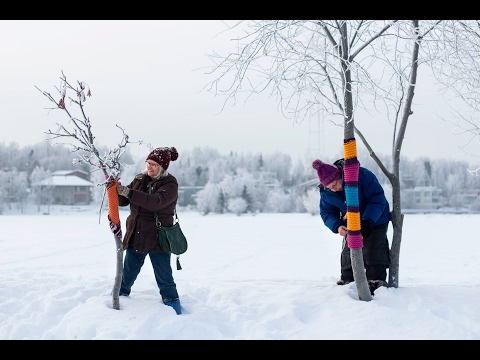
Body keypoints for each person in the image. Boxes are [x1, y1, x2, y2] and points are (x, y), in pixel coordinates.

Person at [116, 147, 182, 315]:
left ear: (163, 166)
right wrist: (115, 190)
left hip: (158, 238)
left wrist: (129, 192)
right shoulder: (140, 178)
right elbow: (124, 200)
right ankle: (118, 304)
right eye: (148, 163)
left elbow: (155, 202)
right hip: (137, 236)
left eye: (154, 164)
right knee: (126, 276)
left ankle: (174, 310)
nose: (150, 167)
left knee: (165, 279)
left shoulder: (170, 183)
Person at [312, 158, 391, 295]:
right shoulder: (327, 192)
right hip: (351, 224)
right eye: (330, 188)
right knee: (349, 253)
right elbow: (327, 212)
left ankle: (376, 282)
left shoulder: (362, 176)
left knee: (373, 250)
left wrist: (368, 220)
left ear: (339, 175)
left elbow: (377, 199)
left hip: (376, 219)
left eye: (335, 184)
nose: (334, 189)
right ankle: (348, 282)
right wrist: (337, 226)